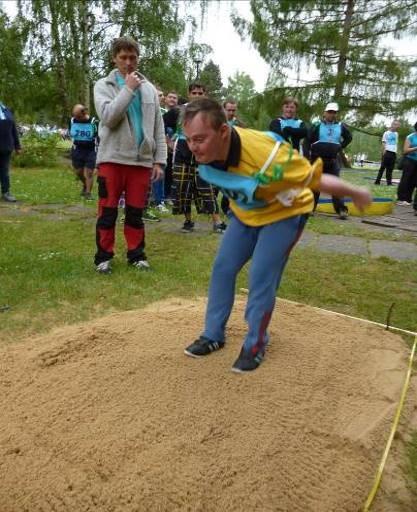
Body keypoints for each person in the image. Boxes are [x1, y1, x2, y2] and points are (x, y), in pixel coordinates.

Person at [182, 99, 371, 372]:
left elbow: (313, 179)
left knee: (261, 275)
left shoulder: (267, 155)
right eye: (189, 139)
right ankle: (213, 335)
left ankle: (255, 343)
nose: (193, 146)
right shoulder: (200, 153)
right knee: (223, 268)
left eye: (199, 138)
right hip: (248, 212)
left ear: (223, 131)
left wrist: (354, 192)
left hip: (286, 211)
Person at [93, 36, 166, 274]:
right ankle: (104, 257)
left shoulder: (150, 90)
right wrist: (128, 89)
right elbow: (108, 117)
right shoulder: (103, 85)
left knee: (135, 213)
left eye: (132, 57)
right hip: (112, 159)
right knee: (108, 211)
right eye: (123, 57)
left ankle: (136, 255)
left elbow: (158, 127)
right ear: (114, 58)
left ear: (138, 58)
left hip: (141, 162)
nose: (128, 62)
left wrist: (159, 160)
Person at [165, 83, 225, 233]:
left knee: (207, 187)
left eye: (200, 93)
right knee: (183, 187)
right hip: (182, 153)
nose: (197, 96)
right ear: (189, 93)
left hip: (203, 155)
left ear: (205, 94)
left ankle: (217, 222)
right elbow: (160, 124)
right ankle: (188, 221)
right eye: (194, 93)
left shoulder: (211, 112)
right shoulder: (179, 110)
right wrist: (169, 142)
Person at [308, 102, 352, 220]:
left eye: (334, 112)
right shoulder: (316, 125)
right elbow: (308, 140)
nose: (331, 114)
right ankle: (309, 208)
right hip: (317, 160)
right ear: (324, 113)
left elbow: (349, 137)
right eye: (329, 112)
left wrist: (340, 146)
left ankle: (341, 210)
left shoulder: (340, 126)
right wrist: (309, 154)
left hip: (333, 161)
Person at [69, 104, 98, 200]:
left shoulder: (93, 122)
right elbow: (71, 133)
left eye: (79, 116)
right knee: (78, 171)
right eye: (75, 116)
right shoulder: (72, 121)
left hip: (91, 149)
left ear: (84, 113)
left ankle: (88, 193)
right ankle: (85, 185)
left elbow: (98, 135)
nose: (77, 118)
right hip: (77, 149)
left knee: (89, 172)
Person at [0, 101, 21, 202]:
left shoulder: (6, 110)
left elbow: (13, 129)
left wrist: (17, 146)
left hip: (6, 146)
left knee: (4, 171)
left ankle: (6, 192)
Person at [397, 122, 417, 211]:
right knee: (406, 179)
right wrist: (416, 148)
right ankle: (401, 198)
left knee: (414, 181)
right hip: (409, 160)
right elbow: (405, 150)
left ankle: (408, 199)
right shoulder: (410, 137)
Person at [163, 90, 179, 202]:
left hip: (174, 147)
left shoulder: (178, 114)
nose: (172, 99)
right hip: (162, 145)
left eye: (175, 98)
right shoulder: (160, 111)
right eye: (170, 97)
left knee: (171, 172)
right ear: (165, 98)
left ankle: (170, 195)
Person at [374, 120, 401, 185]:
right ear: (392, 125)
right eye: (396, 125)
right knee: (382, 168)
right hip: (387, 152)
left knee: (390, 169)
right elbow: (384, 142)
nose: (397, 127)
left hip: (393, 153)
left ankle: (389, 183)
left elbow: (396, 144)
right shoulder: (386, 133)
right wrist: (384, 151)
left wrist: (396, 152)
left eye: (398, 125)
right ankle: (377, 181)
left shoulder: (396, 134)